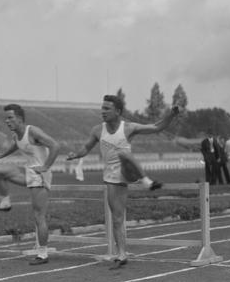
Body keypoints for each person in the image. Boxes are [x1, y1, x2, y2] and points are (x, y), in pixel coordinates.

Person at [66, 94, 180, 269]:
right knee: (117, 218)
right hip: (111, 177)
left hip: (128, 172)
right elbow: (86, 147)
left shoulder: (129, 127)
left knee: (123, 153)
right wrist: (76, 154)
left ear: (118, 111)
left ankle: (147, 181)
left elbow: (157, 127)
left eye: (107, 108)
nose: (102, 111)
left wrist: (171, 114)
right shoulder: (98, 130)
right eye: (102, 108)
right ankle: (122, 254)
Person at [0, 104, 60, 265]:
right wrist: (1, 155)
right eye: (6, 118)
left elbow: (55, 145)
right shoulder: (16, 135)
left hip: (40, 175)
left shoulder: (33, 131)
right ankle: (5, 202)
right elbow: (17, 145)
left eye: (10, 117)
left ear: (20, 119)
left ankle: (43, 254)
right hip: (30, 173)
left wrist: (46, 167)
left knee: (38, 216)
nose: (7, 121)